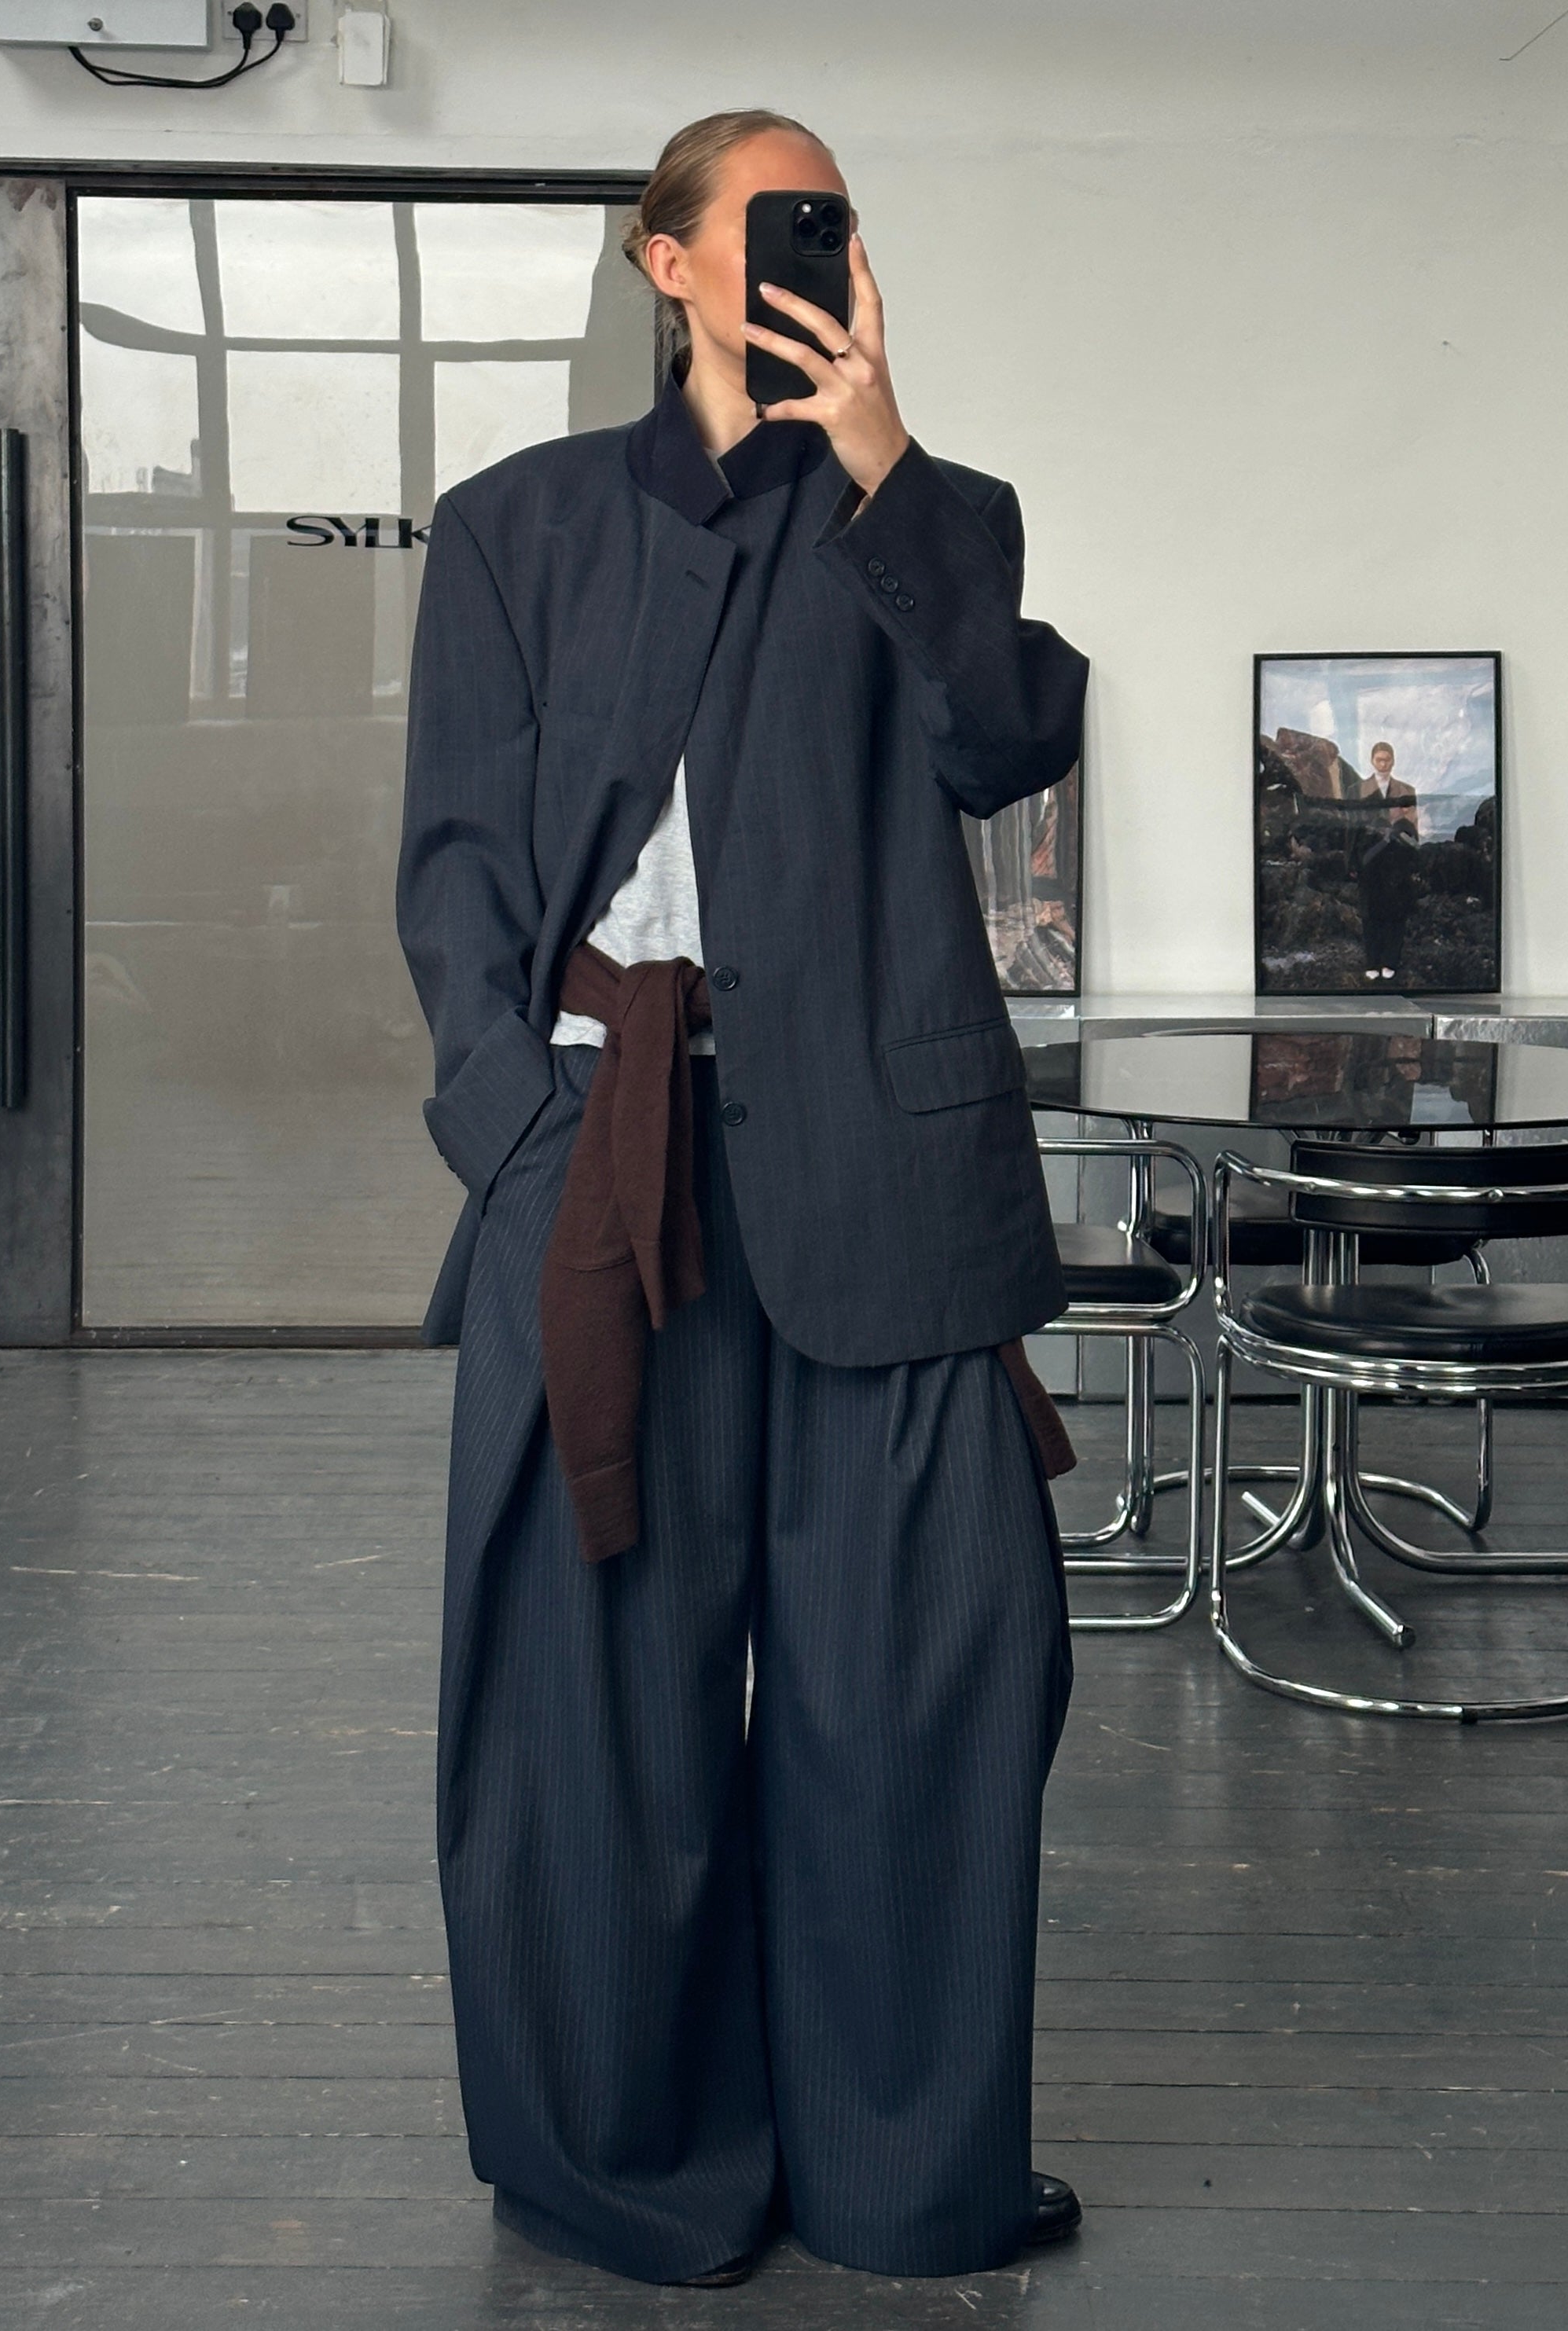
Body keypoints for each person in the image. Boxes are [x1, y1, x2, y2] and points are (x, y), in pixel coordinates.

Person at [397, 108, 1089, 2289]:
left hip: (892, 1174)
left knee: (924, 1691)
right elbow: (456, 865)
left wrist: (881, 462)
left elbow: (1005, 743)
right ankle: (622, 2161)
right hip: (599, 1170)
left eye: (837, 220)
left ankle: (905, 2170)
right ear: (667, 261)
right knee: (587, 1707)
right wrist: (513, 1128)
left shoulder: (933, 516)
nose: (817, 246)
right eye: (776, 218)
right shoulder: (515, 528)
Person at [1356, 741, 1421, 982]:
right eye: (1379, 759)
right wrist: (1351, 862)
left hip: (1397, 860)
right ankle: (1372, 961)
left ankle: (1390, 960)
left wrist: (1414, 860)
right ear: (1372, 761)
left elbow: (1413, 826)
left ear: (1393, 761)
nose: (1383, 764)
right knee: (1370, 914)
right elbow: (1351, 829)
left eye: (1387, 759)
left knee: (1396, 913)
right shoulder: (1358, 789)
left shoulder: (1406, 790)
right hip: (1370, 858)